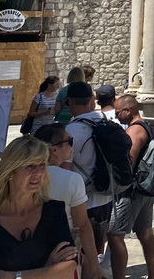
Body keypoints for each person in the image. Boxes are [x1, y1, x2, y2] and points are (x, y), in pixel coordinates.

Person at [0, 136, 77, 279]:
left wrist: (13, 276)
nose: (38, 173)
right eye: (29, 166)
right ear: (10, 172)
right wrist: (47, 269)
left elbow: (69, 266)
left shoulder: (53, 210)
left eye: (42, 165)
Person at [33, 124, 101, 279]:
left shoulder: (24, 176)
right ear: (54, 149)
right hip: (63, 249)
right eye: (69, 141)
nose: (72, 145)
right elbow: (82, 224)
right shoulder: (71, 180)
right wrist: (94, 263)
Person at [109, 94, 154, 279]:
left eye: (118, 112)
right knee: (145, 233)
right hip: (146, 188)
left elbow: (129, 161)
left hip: (132, 191)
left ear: (128, 110)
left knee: (114, 235)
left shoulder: (134, 131)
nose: (117, 116)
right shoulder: (146, 125)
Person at [65, 81, 115, 266]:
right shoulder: (107, 122)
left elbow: (65, 169)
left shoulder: (71, 131)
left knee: (80, 256)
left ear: (70, 101)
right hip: (105, 197)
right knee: (96, 253)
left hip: (81, 203)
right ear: (91, 100)